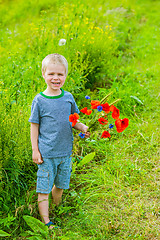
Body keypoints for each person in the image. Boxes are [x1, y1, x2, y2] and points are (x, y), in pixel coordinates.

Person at [29, 53, 90, 228]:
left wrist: (83, 128)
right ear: (43, 74)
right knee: (43, 189)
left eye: (60, 74)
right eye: (51, 74)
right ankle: (46, 221)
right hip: (47, 153)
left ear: (65, 75)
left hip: (65, 152)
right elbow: (34, 126)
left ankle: (58, 208)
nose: (56, 78)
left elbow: (74, 120)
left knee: (61, 185)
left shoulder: (68, 97)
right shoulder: (39, 100)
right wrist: (36, 150)